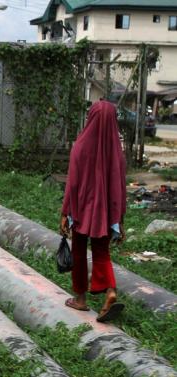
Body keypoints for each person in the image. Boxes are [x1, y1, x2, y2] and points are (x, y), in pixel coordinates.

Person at [60, 100, 126, 322]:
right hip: (105, 215)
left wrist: (65, 212)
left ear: (91, 118)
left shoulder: (80, 147)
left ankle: (80, 299)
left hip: (81, 211)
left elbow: (73, 184)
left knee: (78, 250)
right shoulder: (116, 153)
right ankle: (111, 290)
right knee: (102, 252)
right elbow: (120, 190)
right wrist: (119, 220)